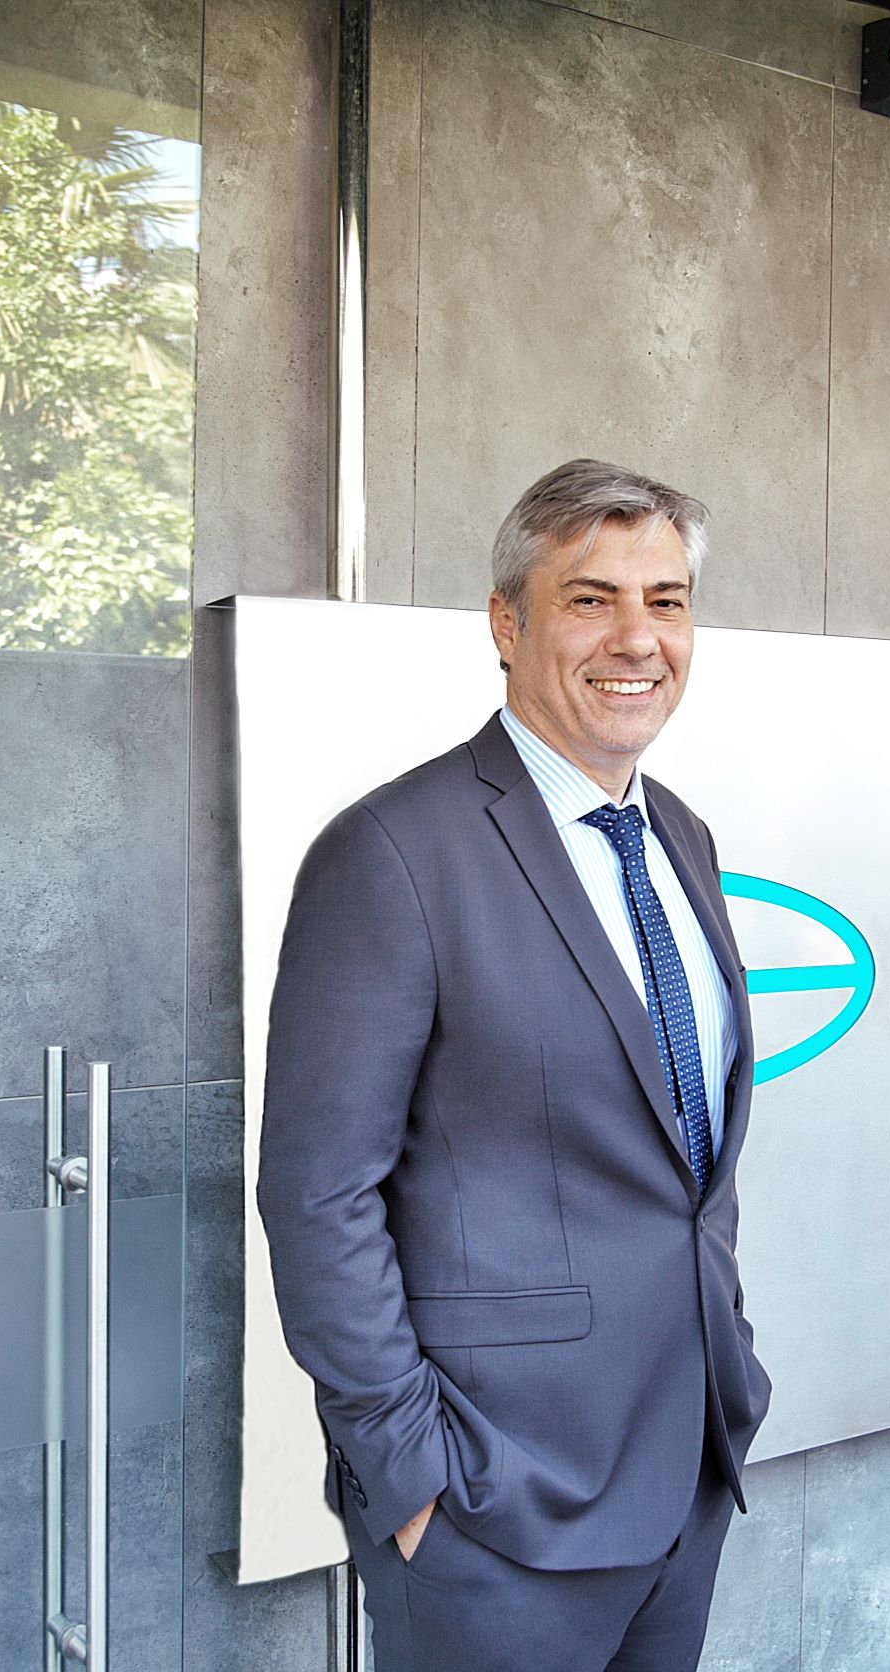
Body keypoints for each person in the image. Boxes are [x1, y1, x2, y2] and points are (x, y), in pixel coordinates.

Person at [257, 458, 770, 1671]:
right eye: (591, 598)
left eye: (666, 601)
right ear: (506, 621)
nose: (637, 637)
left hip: (685, 1473)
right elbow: (317, 1192)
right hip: (494, 1513)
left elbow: (678, 1167)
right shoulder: (393, 852)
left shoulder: (680, 835)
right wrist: (411, 1473)